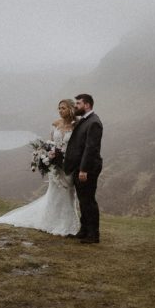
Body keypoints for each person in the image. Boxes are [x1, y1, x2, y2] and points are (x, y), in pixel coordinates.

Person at [0, 99, 80, 236]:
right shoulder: (55, 124)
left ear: (71, 109)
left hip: (69, 165)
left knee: (67, 194)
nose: (60, 111)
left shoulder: (77, 125)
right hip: (55, 165)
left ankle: (68, 223)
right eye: (59, 108)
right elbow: (51, 143)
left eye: (64, 108)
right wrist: (48, 155)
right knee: (55, 194)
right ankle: (52, 221)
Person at [63, 93, 102, 243]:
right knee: (82, 200)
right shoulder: (84, 120)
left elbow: (91, 148)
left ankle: (93, 235)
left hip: (87, 169)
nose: (76, 106)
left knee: (89, 201)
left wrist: (83, 170)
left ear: (87, 105)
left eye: (78, 103)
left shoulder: (94, 122)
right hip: (79, 167)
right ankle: (84, 230)